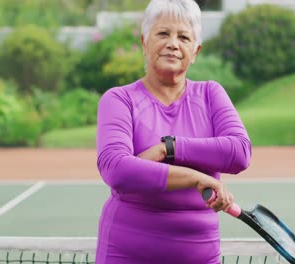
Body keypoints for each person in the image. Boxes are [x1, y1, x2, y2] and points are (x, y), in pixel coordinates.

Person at [95, 0, 252, 263]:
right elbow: (116, 169)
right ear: (145, 43)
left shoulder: (211, 94)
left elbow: (239, 153)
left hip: (200, 254)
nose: (173, 44)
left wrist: (170, 148)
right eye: (163, 33)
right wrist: (195, 177)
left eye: (183, 37)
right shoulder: (119, 100)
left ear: (195, 51)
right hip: (125, 252)